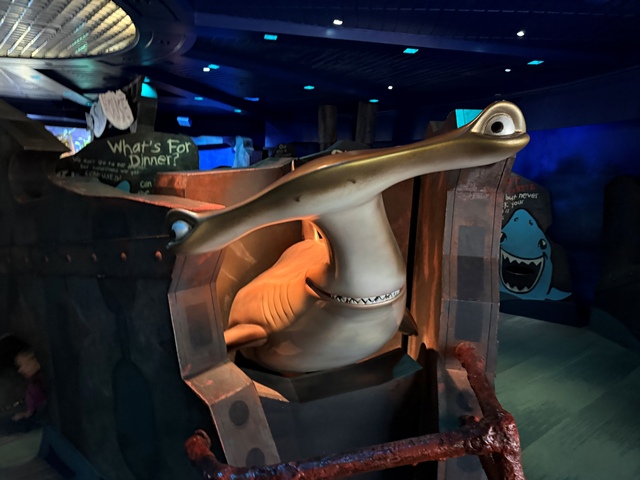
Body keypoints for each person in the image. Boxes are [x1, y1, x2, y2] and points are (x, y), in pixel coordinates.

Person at [11, 349, 46, 424]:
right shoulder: (33, 382)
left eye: (24, 364)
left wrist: (28, 414)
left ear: (36, 361)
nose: (20, 370)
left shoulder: (41, 383)